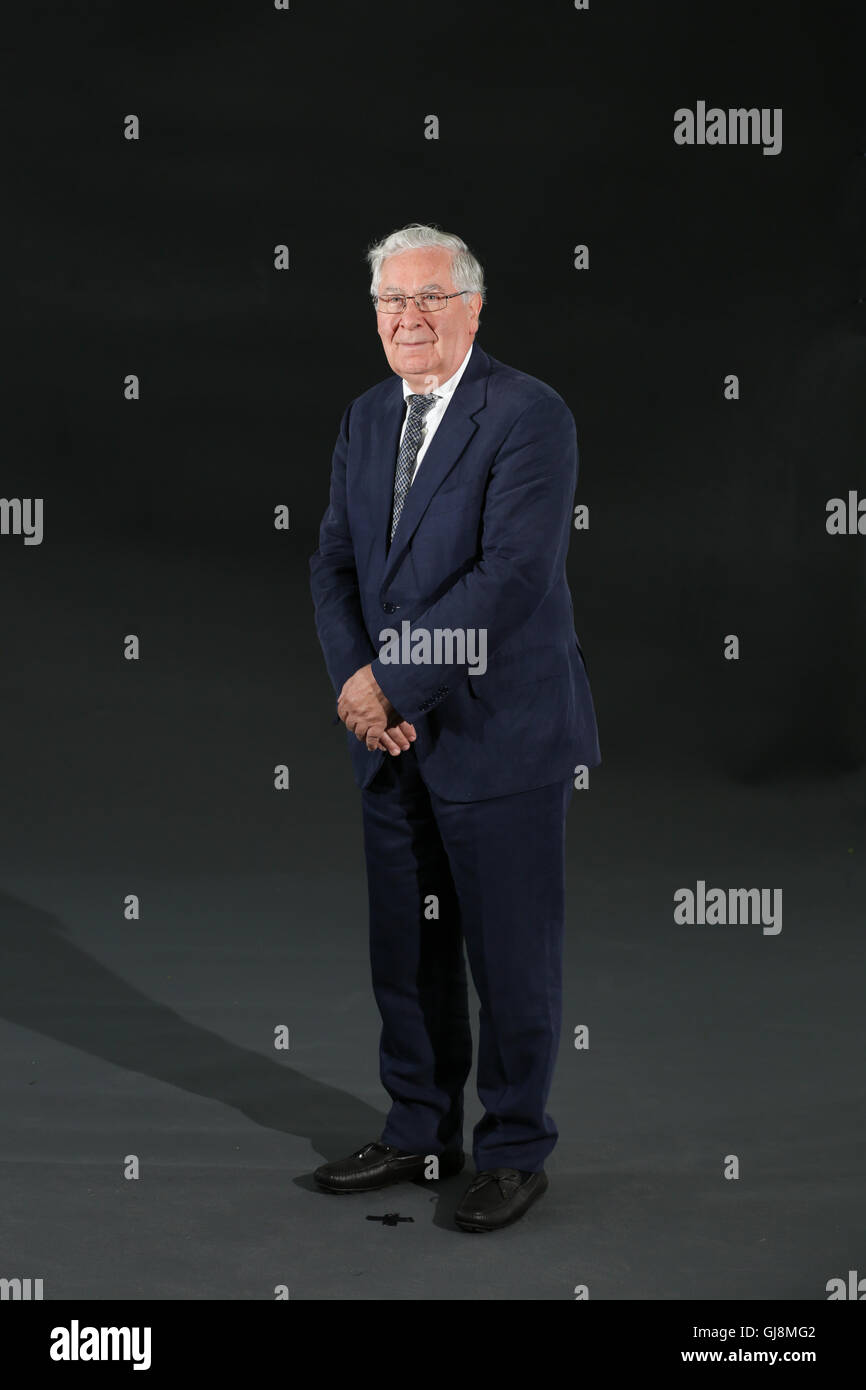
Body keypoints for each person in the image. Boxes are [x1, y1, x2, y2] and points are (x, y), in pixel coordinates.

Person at [309, 222, 600, 1231]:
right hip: (386, 736)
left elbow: (508, 578)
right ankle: (418, 1131)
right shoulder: (362, 416)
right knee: (409, 950)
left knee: (509, 952)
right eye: (392, 301)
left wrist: (391, 682)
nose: (409, 318)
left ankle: (512, 1147)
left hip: (498, 731)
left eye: (429, 298)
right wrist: (356, 682)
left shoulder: (527, 416)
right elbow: (335, 563)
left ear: (472, 308)